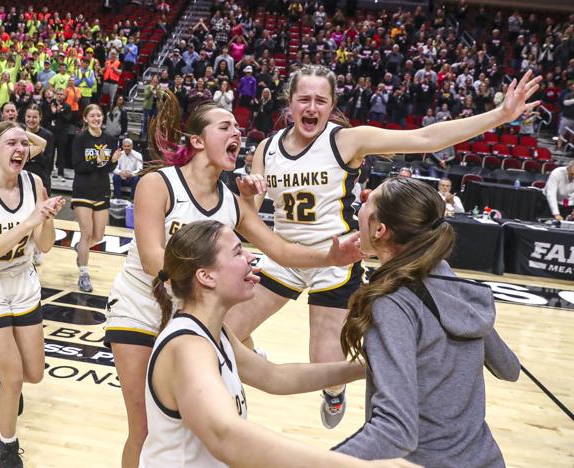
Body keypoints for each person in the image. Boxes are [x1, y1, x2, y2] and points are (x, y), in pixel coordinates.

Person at [224, 65, 540, 430]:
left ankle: (334, 394)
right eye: (303, 99)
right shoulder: (267, 148)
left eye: (320, 100)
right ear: (290, 103)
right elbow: (250, 215)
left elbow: (425, 139)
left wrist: (500, 115)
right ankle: (253, 361)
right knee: (223, 326)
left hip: (336, 258)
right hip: (285, 255)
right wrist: (247, 196)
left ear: (331, 105)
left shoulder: (347, 140)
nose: (311, 107)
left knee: (324, 368)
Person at [105, 90, 362, 468]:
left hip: (193, 310)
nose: (237, 134)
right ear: (196, 140)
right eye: (225, 126)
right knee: (144, 427)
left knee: (196, 423)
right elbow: (149, 259)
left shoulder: (231, 202)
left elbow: (282, 251)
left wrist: (330, 255)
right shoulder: (159, 183)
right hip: (141, 308)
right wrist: (212, 280)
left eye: (239, 128)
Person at [141, 220, 415, 468]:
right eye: (238, 252)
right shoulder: (189, 346)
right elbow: (225, 435)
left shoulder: (215, 331)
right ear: (206, 276)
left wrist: (366, 366)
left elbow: (275, 376)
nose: (251, 257)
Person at [333, 177, 520, 465]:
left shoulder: (392, 303)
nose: (361, 205)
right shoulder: (452, 286)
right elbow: (509, 368)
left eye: (368, 201)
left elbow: (395, 432)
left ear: (380, 230)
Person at [0, 121, 64, 468]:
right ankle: (6, 445)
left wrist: (46, 218)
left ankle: (7, 377)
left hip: (22, 281)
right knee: (14, 378)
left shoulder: (34, 182)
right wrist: (28, 221)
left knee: (33, 374)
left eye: (24, 143)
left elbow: (46, 246)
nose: (20, 149)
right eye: (10, 143)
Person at [72, 103, 121, 292]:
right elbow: (77, 166)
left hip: (101, 190)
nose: (96, 118)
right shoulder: (80, 139)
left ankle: (80, 248)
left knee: (98, 235)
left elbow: (108, 169)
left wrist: (112, 162)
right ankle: (84, 274)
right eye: (91, 116)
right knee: (86, 233)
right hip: (82, 191)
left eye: (98, 115)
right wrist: (97, 161)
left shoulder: (110, 139)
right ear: (85, 119)